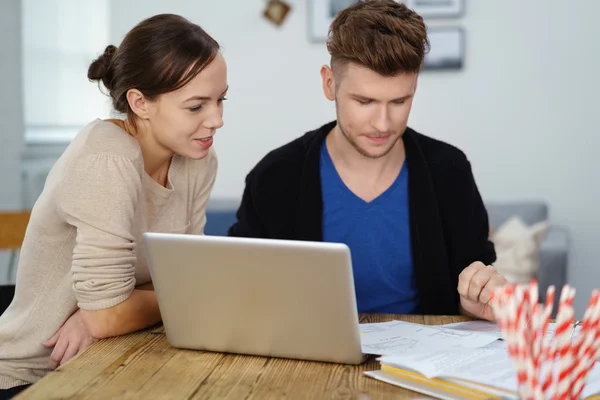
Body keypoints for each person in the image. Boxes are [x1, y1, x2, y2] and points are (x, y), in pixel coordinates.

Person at [228, 0, 507, 320]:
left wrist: (476, 301)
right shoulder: (276, 176)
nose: (383, 124)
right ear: (329, 83)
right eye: (364, 101)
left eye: (400, 100)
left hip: (421, 365)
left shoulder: (449, 171)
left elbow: (471, 285)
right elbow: (242, 289)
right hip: (304, 362)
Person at [0, 13, 227, 398]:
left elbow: (188, 276)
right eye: (196, 107)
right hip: (33, 376)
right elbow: (118, 312)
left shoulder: (197, 161)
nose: (217, 120)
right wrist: (103, 316)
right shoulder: (107, 158)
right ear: (140, 103)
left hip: (118, 355)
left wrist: (105, 316)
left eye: (221, 100)